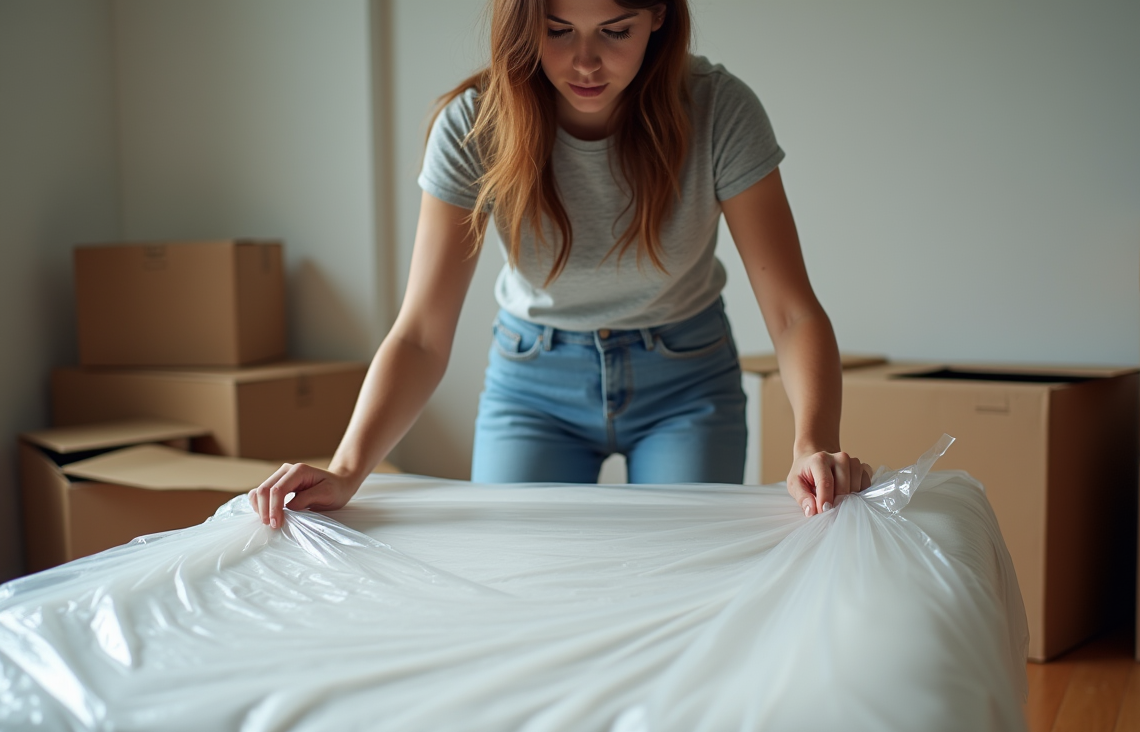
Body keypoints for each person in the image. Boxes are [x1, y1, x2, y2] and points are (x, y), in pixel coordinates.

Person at [250, 0, 872, 529]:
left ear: (657, 16)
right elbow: (419, 334)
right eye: (557, 29)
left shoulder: (720, 111)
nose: (585, 61)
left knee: (681, 579)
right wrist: (347, 467)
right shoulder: (474, 125)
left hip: (686, 379)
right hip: (533, 384)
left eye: (614, 30)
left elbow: (792, 312)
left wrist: (813, 444)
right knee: (518, 581)